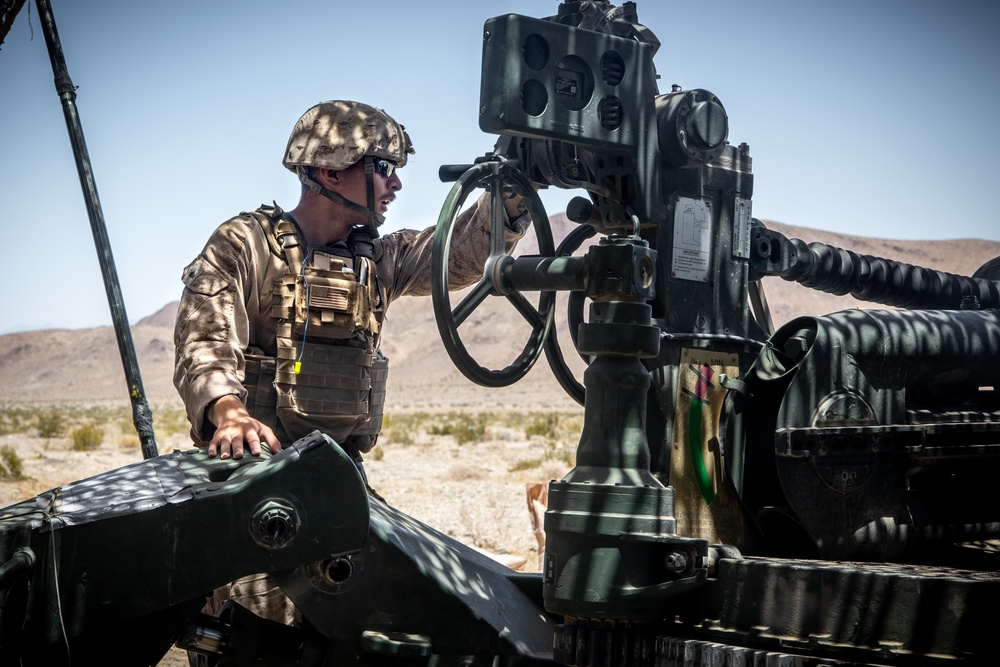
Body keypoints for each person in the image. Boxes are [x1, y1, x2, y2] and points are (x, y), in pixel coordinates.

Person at [172, 99, 530, 623]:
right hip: (258, 484)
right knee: (258, 635)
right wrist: (228, 410)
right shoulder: (246, 243)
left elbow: (459, 253)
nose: (396, 185)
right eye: (383, 169)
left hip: (341, 486)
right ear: (330, 171)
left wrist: (517, 194)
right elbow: (204, 336)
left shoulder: (377, 260)